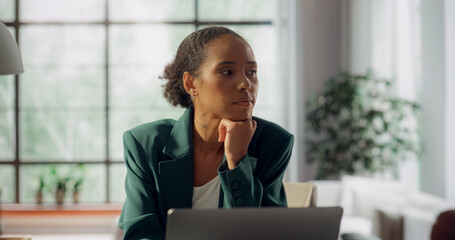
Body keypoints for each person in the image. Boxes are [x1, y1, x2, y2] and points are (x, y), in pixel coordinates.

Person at [118, 26, 294, 240]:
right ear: (191, 83)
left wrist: (237, 163)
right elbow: (140, 234)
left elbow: (262, 234)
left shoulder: (273, 143)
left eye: (252, 72)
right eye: (227, 72)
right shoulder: (145, 145)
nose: (245, 84)